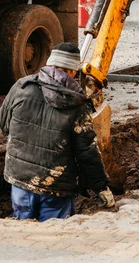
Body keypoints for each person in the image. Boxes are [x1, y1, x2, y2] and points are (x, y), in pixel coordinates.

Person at [0, 42, 115, 221]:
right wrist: (101, 187)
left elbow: (5, 124)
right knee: (54, 236)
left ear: (49, 63)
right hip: (56, 187)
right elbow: (86, 153)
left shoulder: (21, 86)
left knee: (24, 228)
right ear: (72, 71)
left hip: (20, 180)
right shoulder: (77, 104)